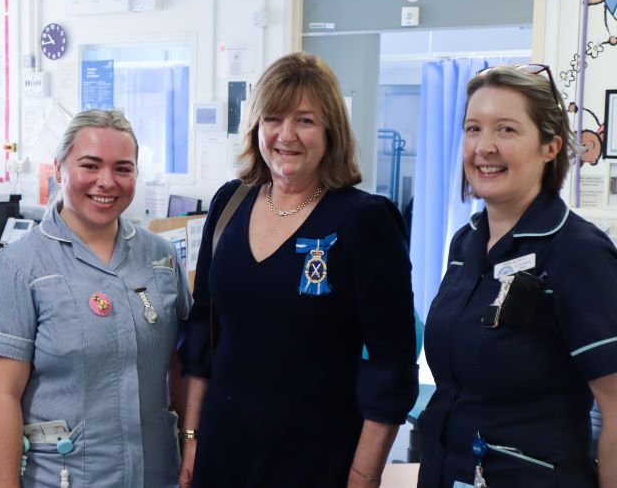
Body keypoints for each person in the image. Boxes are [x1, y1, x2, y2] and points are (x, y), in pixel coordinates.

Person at [177, 52, 419, 488]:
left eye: (305, 120)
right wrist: (192, 438)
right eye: (273, 118)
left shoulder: (364, 220)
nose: (286, 135)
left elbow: (392, 365)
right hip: (222, 451)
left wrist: (364, 476)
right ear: (256, 126)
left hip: (315, 459)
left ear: (331, 131)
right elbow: (203, 328)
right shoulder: (230, 203)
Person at [417, 64, 617, 487]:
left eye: (506, 130)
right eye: (473, 129)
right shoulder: (466, 243)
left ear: (550, 147)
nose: (483, 147)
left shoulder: (578, 253)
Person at [0, 109, 192, 487]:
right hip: (65, 475)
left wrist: (190, 439)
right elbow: (0, 398)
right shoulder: (19, 267)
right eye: (90, 165)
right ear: (59, 169)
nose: (106, 181)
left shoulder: (160, 257)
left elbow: (182, 363)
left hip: (156, 473)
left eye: (123, 168)